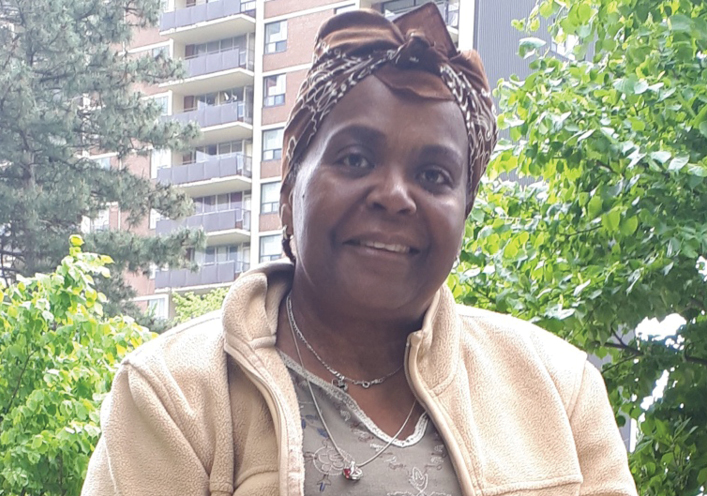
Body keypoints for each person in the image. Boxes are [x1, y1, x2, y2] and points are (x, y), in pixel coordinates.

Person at [81, 4, 638, 496]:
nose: (395, 196)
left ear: (464, 210)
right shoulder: (172, 394)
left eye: (434, 175)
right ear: (291, 186)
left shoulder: (561, 391)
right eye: (354, 159)